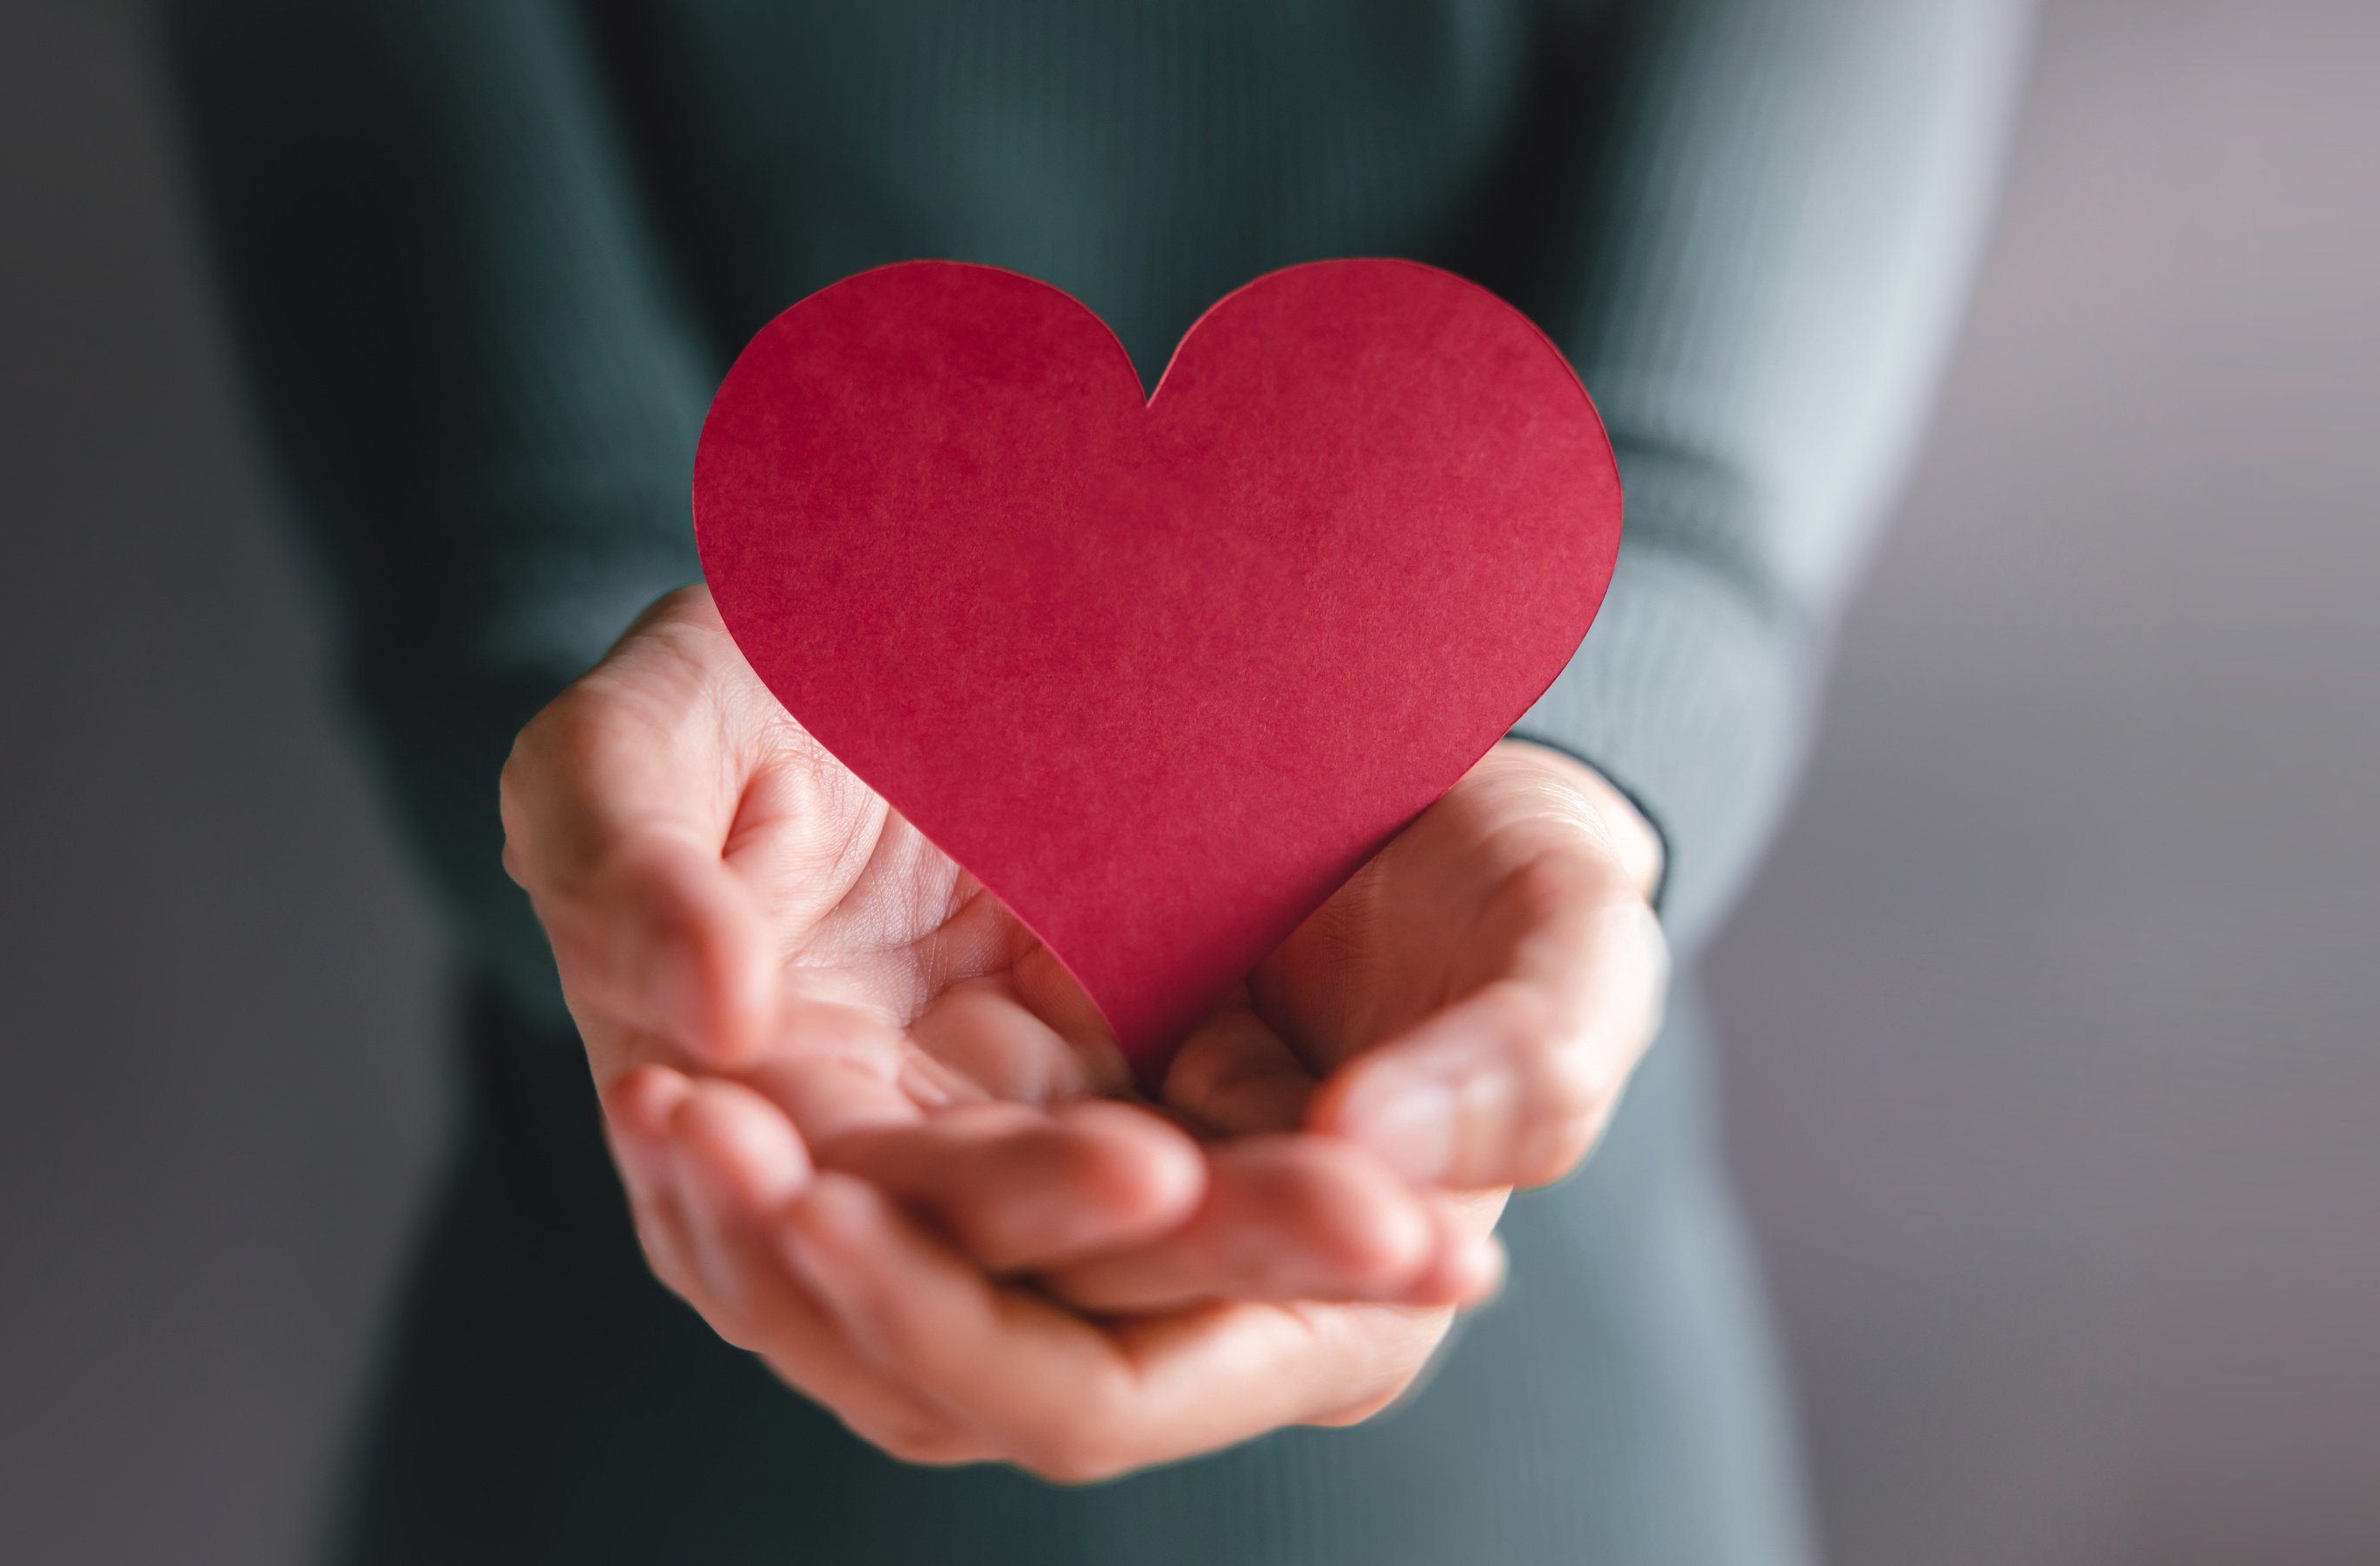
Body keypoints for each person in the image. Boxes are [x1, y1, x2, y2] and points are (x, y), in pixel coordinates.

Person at [161, 3, 2020, 1561]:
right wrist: (639, 781)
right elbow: (488, 459)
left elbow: (1702, 394)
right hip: (641, 1385)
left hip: (1529, 1393)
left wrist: (1567, 767)